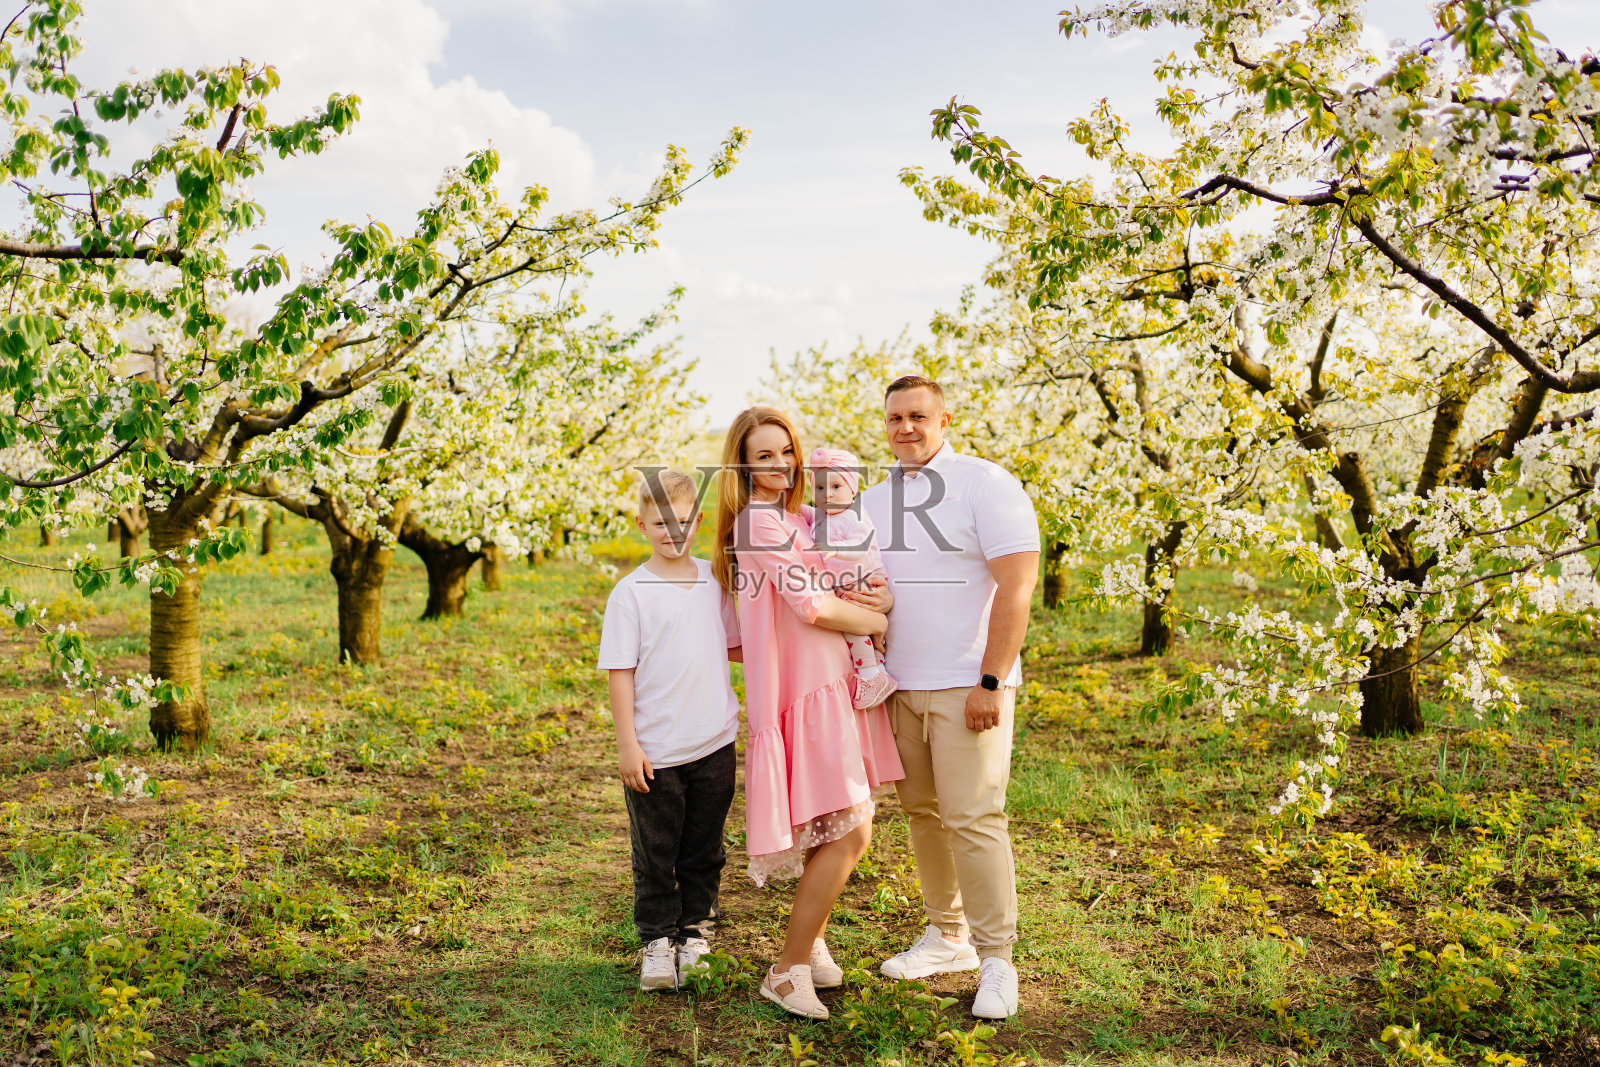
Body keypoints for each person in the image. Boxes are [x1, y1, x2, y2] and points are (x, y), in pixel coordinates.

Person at [711, 406, 904, 1020]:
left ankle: (810, 936)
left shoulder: (800, 518)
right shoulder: (758, 525)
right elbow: (812, 606)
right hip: (803, 690)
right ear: (742, 464)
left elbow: (845, 578)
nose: (779, 464)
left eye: (786, 451)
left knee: (836, 820)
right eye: (763, 456)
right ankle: (786, 971)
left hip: (832, 681)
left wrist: (880, 592)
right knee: (852, 828)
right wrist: (878, 621)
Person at [859, 375, 1040, 1021]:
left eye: (917, 415)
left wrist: (991, 679)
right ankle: (947, 936)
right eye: (893, 417)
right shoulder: (874, 500)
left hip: (969, 682)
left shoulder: (986, 484)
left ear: (945, 419)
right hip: (898, 685)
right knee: (924, 815)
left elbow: (1018, 583)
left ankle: (998, 959)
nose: (904, 427)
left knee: (975, 817)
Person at [597, 470, 743, 992]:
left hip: (713, 742)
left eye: (683, 522)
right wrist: (628, 744)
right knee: (655, 850)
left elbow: (733, 645)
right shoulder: (631, 593)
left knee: (705, 848)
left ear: (698, 521)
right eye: (661, 522)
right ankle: (657, 941)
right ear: (642, 524)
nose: (672, 532)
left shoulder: (714, 582)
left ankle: (694, 934)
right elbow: (621, 671)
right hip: (656, 748)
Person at [807, 446, 898, 710]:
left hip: (860, 580)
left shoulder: (854, 516)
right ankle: (877, 666)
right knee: (854, 630)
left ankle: (871, 675)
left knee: (852, 628)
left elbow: (860, 546)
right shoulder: (823, 517)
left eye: (836, 486)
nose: (828, 494)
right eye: (820, 489)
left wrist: (835, 549)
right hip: (843, 583)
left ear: (853, 489)